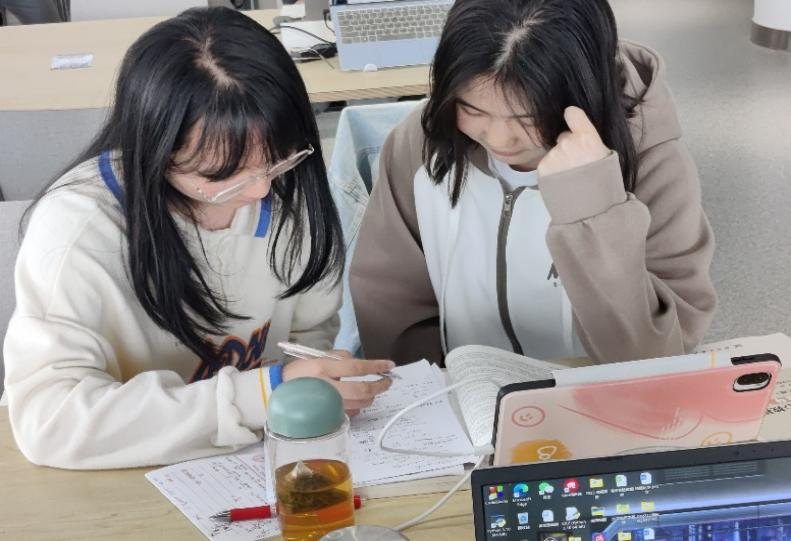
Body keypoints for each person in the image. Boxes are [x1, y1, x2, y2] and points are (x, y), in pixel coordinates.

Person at [3, 7, 393, 470]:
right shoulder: (79, 230)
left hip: (251, 464)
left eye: (277, 159)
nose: (260, 190)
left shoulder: (287, 186)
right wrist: (263, 394)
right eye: (220, 175)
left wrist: (318, 377)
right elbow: (51, 420)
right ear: (154, 151)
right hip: (122, 477)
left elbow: (309, 332)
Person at [350, 0, 717, 365]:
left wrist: (592, 208)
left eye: (527, 118)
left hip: (598, 394)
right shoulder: (418, 144)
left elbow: (659, 357)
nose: (499, 139)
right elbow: (391, 303)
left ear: (582, 92)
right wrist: (433, 388)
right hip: (459, 392)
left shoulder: (652, 163)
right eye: (472, 109)